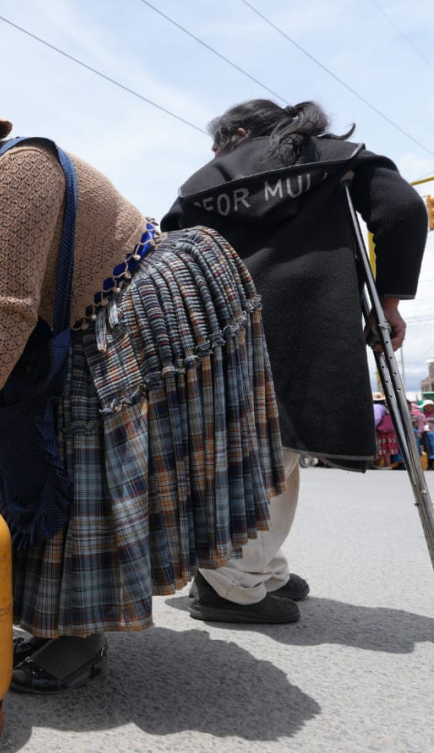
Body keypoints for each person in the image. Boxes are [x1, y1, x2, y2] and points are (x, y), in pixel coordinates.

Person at [0, 77, 284, 695]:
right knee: (47, 462)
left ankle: (81, 636)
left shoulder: (19, 172)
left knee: (85, 468)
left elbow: (12, 303)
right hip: (78, 323)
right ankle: (57, 622)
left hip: (137, 306)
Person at [161, 99, 427, 625]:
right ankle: (230, 583)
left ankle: (252, 569)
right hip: (308, 318)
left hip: (221, 322)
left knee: (259, 451)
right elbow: (402, 210)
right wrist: (389, 302)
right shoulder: (333, 156)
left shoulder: (203, 181)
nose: (220, 155)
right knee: (279, 448)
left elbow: (171, 249)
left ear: (238, 132)